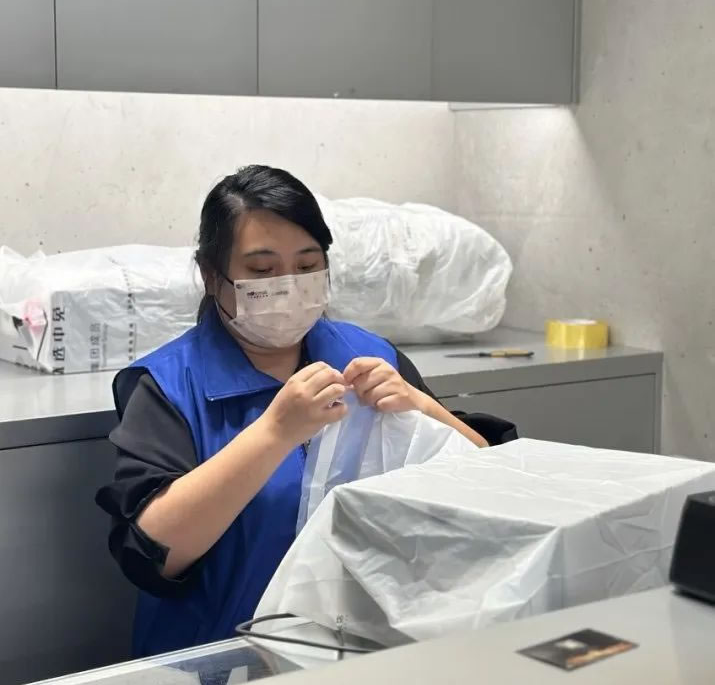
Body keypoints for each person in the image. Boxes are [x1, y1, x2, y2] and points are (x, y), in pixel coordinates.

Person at [96, 165, 498, 657]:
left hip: (364, 654)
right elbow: (152, 554)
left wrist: (422, 406)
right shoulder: (168, 385)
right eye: (262, 271)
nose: (288, 286)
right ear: (211, 275)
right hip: (224, 662)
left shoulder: (370, 356)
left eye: (307, 266)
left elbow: (486, 480)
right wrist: (275, 432)